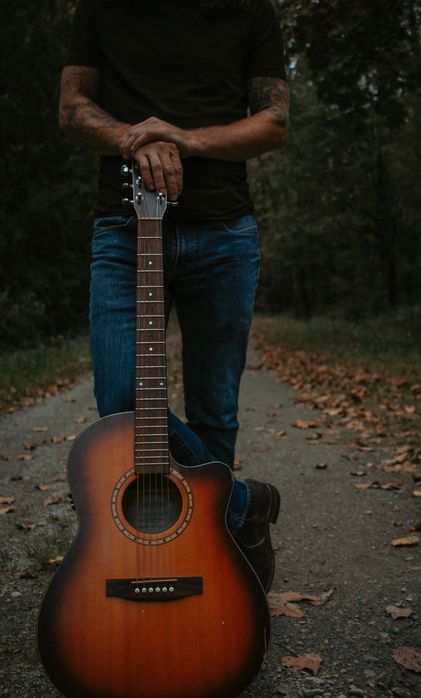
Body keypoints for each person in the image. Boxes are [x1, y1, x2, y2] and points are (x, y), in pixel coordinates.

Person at [59, 0, 289, 593]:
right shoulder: (99, 11)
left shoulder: (248, 12)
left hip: (225, 233)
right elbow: (73, 108)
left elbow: (274, 121)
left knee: (216, 411)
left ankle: (212, 562)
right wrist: (134, 138)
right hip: (124, 228)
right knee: (121, 398)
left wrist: (181, 138)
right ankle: (242, 508)